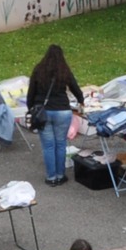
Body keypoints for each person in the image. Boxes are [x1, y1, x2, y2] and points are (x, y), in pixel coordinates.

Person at [27, 44, 86, 186]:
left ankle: (51, 177)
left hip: (44, 112)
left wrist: (31, 108)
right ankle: (61, 175)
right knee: (60, 144)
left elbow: (31, 93)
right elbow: (76, 89)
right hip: (63, 112)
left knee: (48, 146)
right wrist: (81, 101)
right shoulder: (64, 71)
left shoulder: (38, 70)